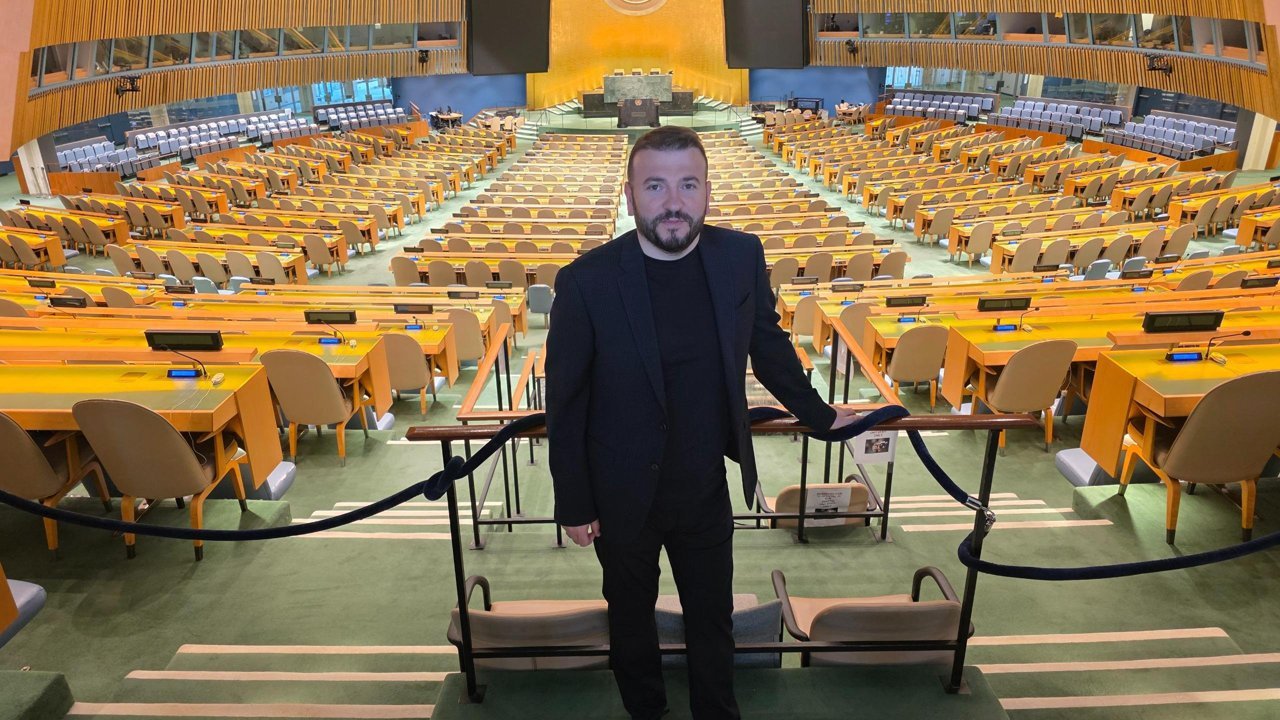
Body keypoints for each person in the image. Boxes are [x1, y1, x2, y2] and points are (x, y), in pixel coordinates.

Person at [545, 126, 856, 719]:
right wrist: (574, 502)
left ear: (708, 191)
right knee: (630, 621)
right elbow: (567, 400)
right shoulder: (587, 280)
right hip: (618, 492)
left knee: (713, 618)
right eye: (655, 186)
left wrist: (821, 415)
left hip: (703, 483)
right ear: (630, 195)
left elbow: (769, 346)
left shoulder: (739, 257)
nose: (673, 202)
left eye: (688, 185)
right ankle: (647, 711)